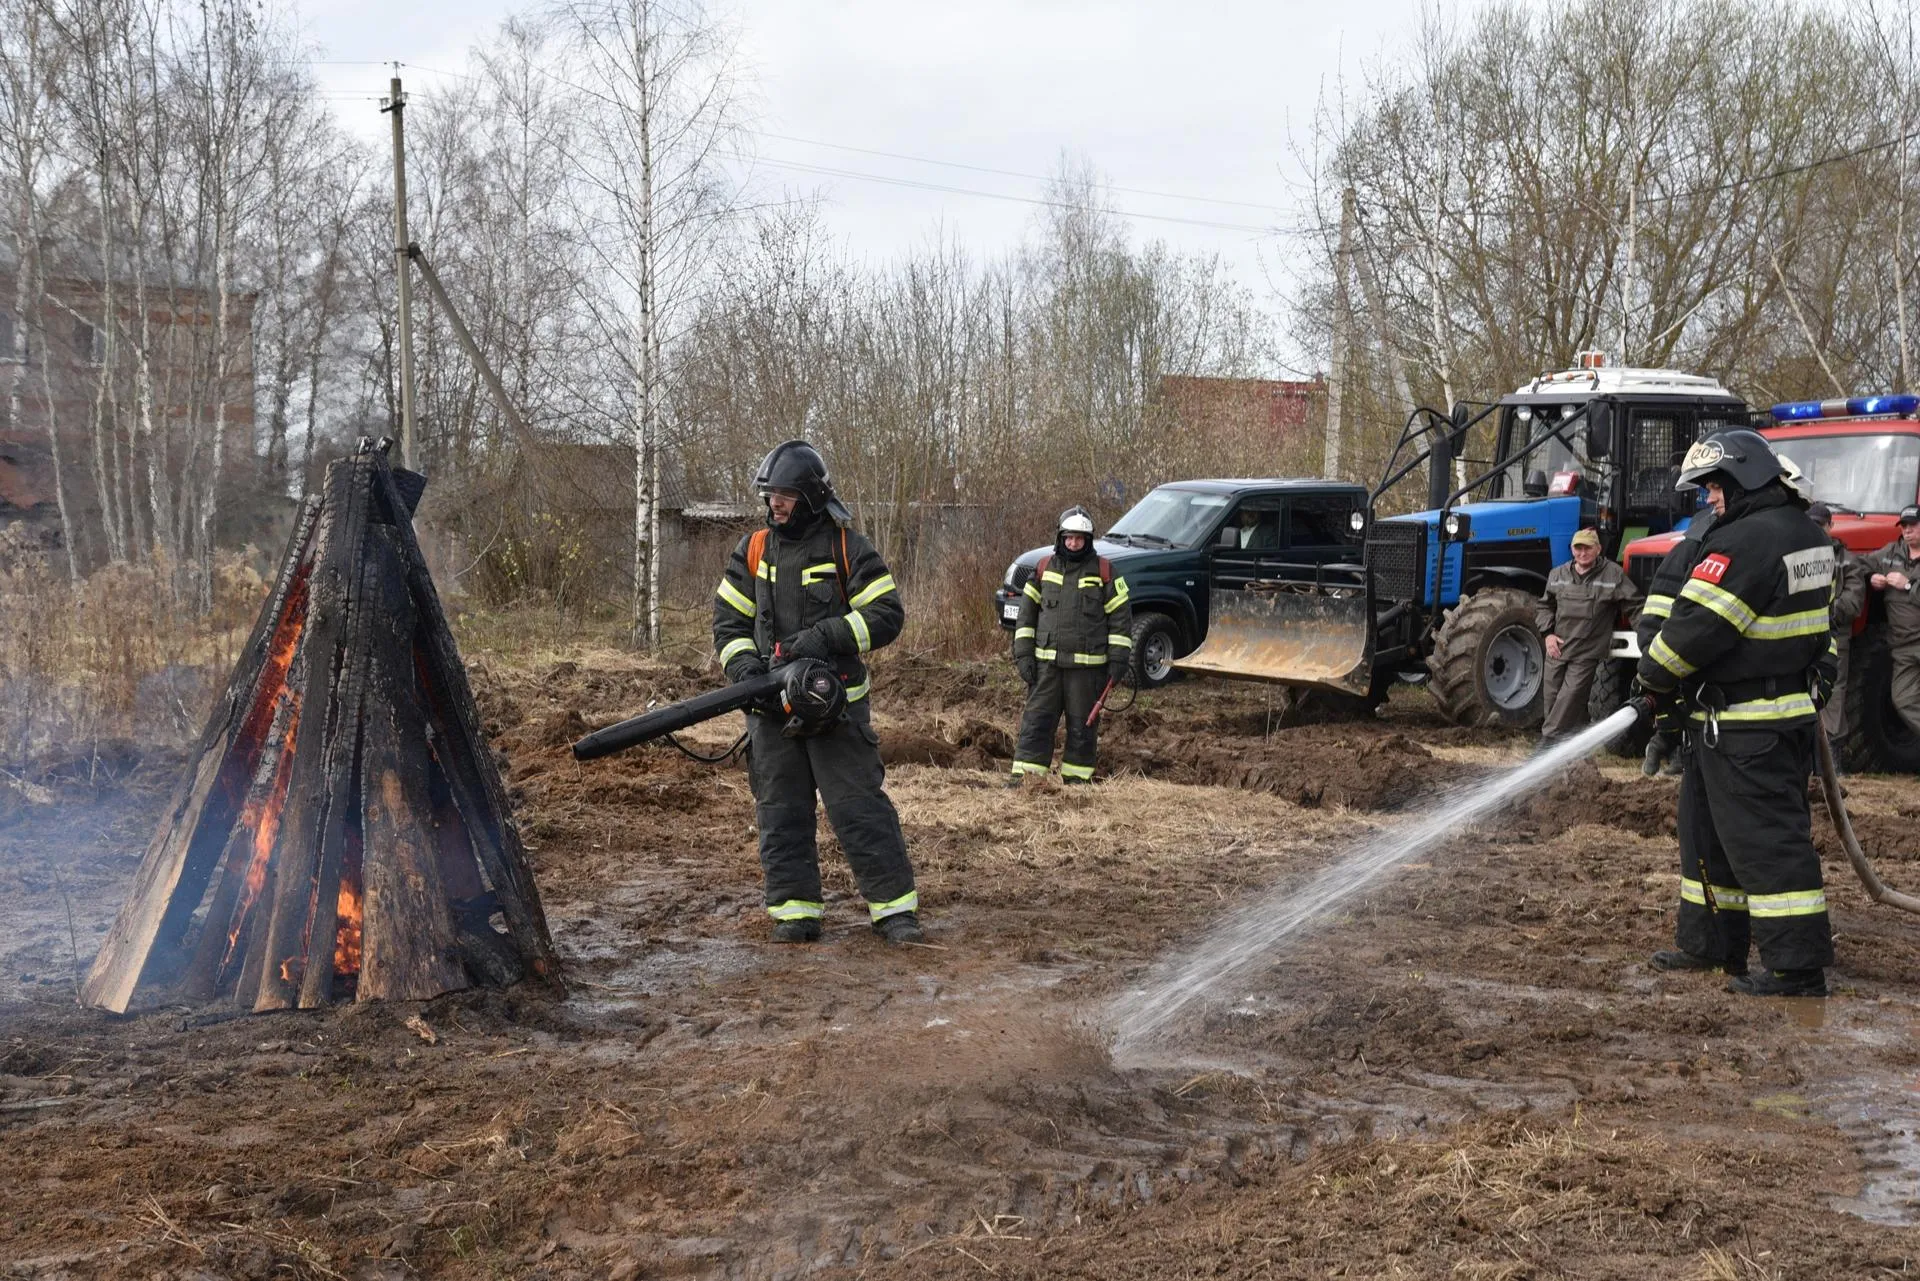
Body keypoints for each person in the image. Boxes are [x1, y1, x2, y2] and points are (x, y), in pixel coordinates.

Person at [1635, 429, 1836, 997]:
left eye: (1715, 486)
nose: (1710, 499)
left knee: (1766, 844)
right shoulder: (1806, 534)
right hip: (1737, 722)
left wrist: (1651, 682)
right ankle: (1709, 946)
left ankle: (1796, 968)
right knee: (1709, 841)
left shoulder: (1746, 542)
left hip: (1751, 725)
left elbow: (1694, 631)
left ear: (1745, 477)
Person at [712, 440, 924, 945]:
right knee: (780, 810)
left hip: (836, 704)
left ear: (808, 495)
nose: (774, 504)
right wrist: (745, 671)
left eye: (783, 494)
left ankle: (894, 912)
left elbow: (887, 615)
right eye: (770, 496)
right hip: (769, 708)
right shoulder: (754, 549)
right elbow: (729, 624)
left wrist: (826, 636)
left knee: (857, 806)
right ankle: (794, 913)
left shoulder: (847, 547)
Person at [1010, 505, 1134, 784]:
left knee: (1082, 728)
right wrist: (1023, 656)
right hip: (1046, 669)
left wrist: (1119, 659)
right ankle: (1026, 780)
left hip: (1087, 671)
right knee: (1036, 723)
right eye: (1068, 537)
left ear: (1088, 540)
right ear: (1060, 538)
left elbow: (1121, 618)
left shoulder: (1105, 572)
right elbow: (1026, 618)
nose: (1073, 543)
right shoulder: (1043, 569)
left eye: (1079, 538)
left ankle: (1077, 782)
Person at [1536, 527, 1639, 744]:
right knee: (1553, 700)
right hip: (1557, 648)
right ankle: (1573, 749)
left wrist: (1647, 634)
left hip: (1586, 651)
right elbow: (1545, 607)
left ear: (1598, 549)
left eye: (1588, 548)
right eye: (1578, 548)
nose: (1582, 553)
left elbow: (1635, 605)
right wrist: (1547, 634)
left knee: (1569, 697)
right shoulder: (1557, 575)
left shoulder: (1613, 574)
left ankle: (1545, 746)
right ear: (1572, 549)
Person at [1808, 502, 1867, 759]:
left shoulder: (1846, 561)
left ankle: (1835, 751)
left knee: (1833, 689)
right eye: (1812, 524)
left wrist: (1822, 613)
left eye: (1821, 525)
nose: (1817, 530)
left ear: (1831, 526)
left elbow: (1853, 603)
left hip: (1834, 633)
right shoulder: (1802, 555)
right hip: (1802, 633)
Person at [1860, 505, 1920, 736]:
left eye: (1912, 525)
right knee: (1903, 699)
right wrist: (1871, 576)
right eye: (1903, 526)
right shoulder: (1890, 553)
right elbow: (1859, 563)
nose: (1907, 531)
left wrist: (1907, 585)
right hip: (1902, 645)